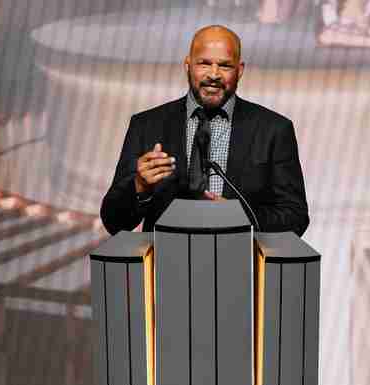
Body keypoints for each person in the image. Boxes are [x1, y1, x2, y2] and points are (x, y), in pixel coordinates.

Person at [100, 25, 309, 236]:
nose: (214, 74)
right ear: (188, 65)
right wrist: (140, 186)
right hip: (165, 264)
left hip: (240, 263)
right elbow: (113, 221)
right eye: (204, 64)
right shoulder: (146, 125)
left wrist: (238, 216)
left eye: (225, 66)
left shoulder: (273, 129)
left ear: (240, 70)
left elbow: (296, 217)